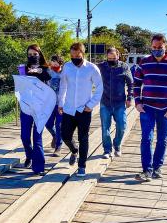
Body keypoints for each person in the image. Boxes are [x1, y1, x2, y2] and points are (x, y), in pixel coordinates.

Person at [134, 34, 167, 182]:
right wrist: (138, 102)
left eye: (159, 47)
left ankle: (157, 168)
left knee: (162, 139)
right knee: (146, 139)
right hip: (147, 108)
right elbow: (136, 84)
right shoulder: (144, 62)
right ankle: (147, 170)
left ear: (165, 46)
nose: (156, 50)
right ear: (151, 46)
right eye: (154, 47)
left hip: (166, 108)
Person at [58, 42, 103, 177]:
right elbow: (63, 86)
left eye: (77, 55)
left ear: (83, 54)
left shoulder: (91, 68)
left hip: (84, 110)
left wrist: (91, 105)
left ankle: (82, 166)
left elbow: (99, 87)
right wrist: (61, 102)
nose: (74, 58)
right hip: (69, 108)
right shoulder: (67, 67)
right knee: (65, 135)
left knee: (83, 138)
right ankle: (74, 150)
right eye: (72, 55)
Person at [21, 44, 51, 175]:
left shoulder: (45, 69)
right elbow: (20, 83)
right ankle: (29, 155)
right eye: (30, 55)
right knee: (24, 136)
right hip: (26, 106)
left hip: (40, 107)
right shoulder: (24, 68)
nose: (32, 56)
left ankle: (38, 167)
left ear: (40, 54)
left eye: (35, 54)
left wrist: (40, 71)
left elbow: (49, 76)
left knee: (37, 137)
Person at [98, 47, 133, 159]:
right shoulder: (101, 66)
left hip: (119, 103)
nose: (111, 59)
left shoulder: (124, 67)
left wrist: (129, 97)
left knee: (122, 126)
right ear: (106, 57)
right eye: (109, 58)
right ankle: (107, 150)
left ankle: (117, 145)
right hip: (105, 102)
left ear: (118, 56)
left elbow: (131, 83)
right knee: (105, 128)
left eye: (114, 58)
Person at [46, 54, 64, 157]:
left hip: (61, 104)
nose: (53, 65)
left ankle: (58, 147)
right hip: (50, 104)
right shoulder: (49, 72)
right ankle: (55, 136)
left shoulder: (64, 73)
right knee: (48, 124)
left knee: (59, 126)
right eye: (52, 63)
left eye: (55, 63)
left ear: (60, 63)